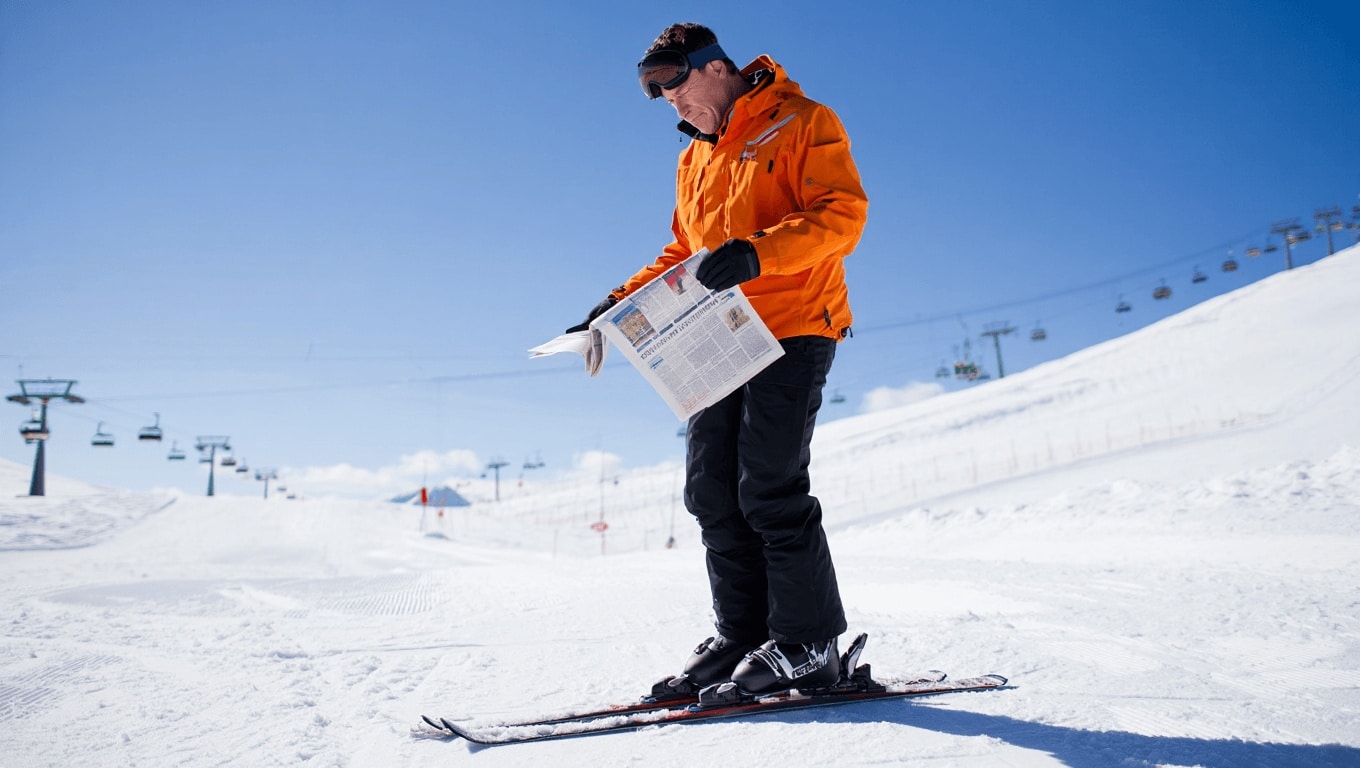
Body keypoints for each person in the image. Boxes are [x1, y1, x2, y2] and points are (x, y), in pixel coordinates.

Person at [566, 23, 868, 694]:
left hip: (793, 323)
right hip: (719, 335)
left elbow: (842, 214)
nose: (668, 101)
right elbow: (685, 253)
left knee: (768, 483)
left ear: (716, 67)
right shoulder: (695, 158)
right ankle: (746, 634)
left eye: (673, 83)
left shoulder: (801, 121)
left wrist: (759, 253)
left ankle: (809, 643)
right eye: (656, 92)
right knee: (710, 491)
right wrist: (613, 305)